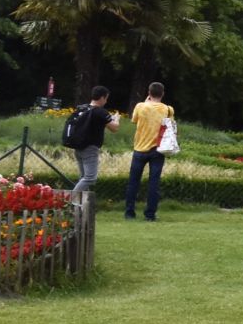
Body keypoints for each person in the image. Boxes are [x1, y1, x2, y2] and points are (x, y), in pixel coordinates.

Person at [123, 82, 175, 221]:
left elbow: (134, 121)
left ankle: (129, 213)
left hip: (139, 148)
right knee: (154, 183)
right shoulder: (168, 109)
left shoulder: (140, 106)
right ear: (162, 93)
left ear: (149, 93)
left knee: (133, 182)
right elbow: (170, 125)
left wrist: (146, 103)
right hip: (158, 149)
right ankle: (150, 214)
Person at [67, 85, 120, 198]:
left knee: (83, 178)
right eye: (106, 98)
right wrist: (116, 119)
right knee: (90, 178)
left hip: (78, 147)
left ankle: (79, 205)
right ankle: (68, 200)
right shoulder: (100, 112)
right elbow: (114, 128)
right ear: (102, 97)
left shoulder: (82, 108)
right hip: (90, 149)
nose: (106, 101)